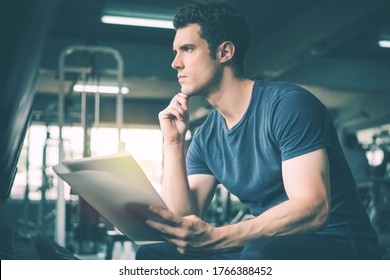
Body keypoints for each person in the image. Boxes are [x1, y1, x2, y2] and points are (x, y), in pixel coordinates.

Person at [136, 0, 381, 260]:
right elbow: (184, 223)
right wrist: (173, 143)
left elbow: (313, 209)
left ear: (224, 52)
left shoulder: (288, 105)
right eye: (176, 52)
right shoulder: (206, 136)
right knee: (156, 254)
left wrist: (216, 237)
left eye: (187, 49)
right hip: (269, 244)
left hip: (339, 244)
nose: (175, 63)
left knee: (259, 254)